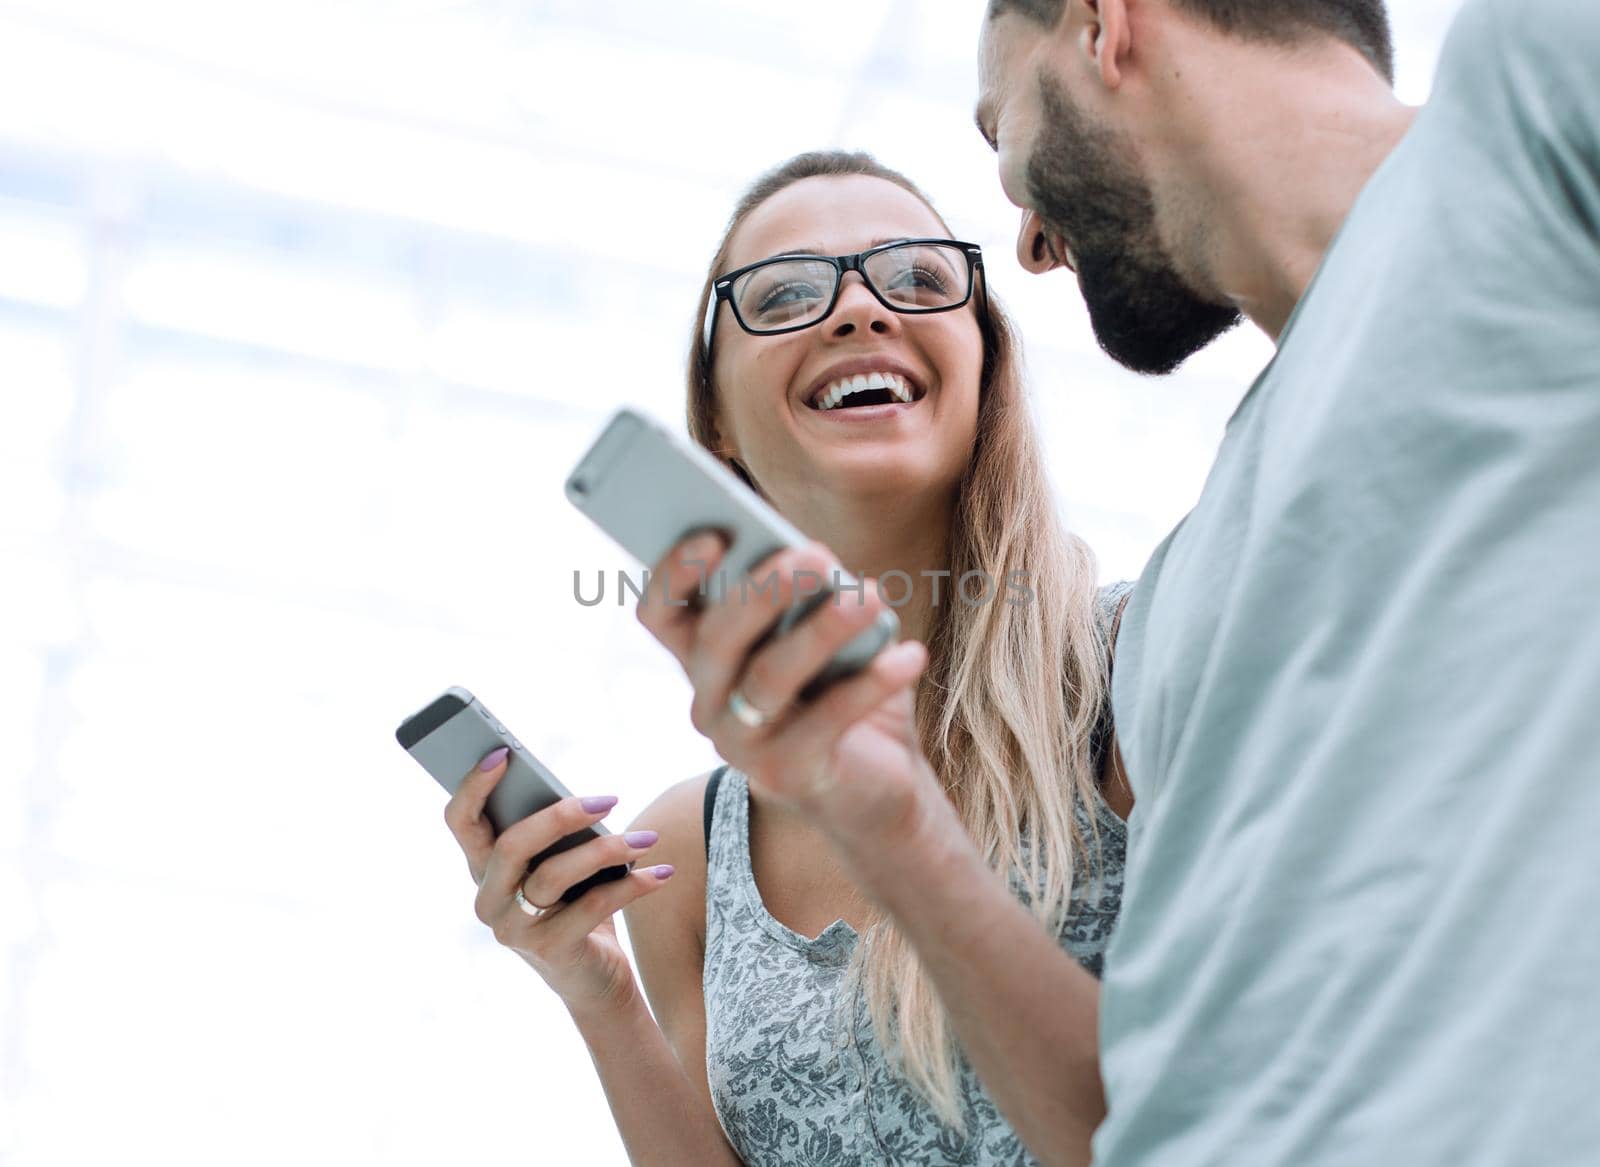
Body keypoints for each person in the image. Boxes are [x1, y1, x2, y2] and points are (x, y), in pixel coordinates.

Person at [644, 0, 1600, 1163]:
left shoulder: (1528, 97)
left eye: (1006, 136)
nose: (1033, 243)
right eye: (788, 296)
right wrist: (890, 822)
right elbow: (1152, 1118)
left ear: (1104, 27)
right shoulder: (1195, 604)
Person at [443, 150, 1136, 1165]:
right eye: (784, 294)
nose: (859, 311)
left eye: (916, 278)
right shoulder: (691, 852)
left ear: (983, 361)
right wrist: (599, 993)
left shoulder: (1135, 667)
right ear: (716, 412)